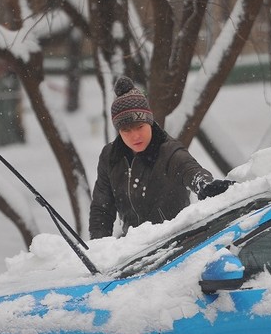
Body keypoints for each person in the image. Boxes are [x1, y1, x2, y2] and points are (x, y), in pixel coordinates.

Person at [89, 76, 233, 239]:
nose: (135, 136)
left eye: (140, 127)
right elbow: (102, 210)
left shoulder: (170, 152)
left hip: (175, 244)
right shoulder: (110, 157)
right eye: (126, 130)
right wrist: (98, 250)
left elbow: (192, 171)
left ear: (149, 122)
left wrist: (205, 185)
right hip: (132, 250)